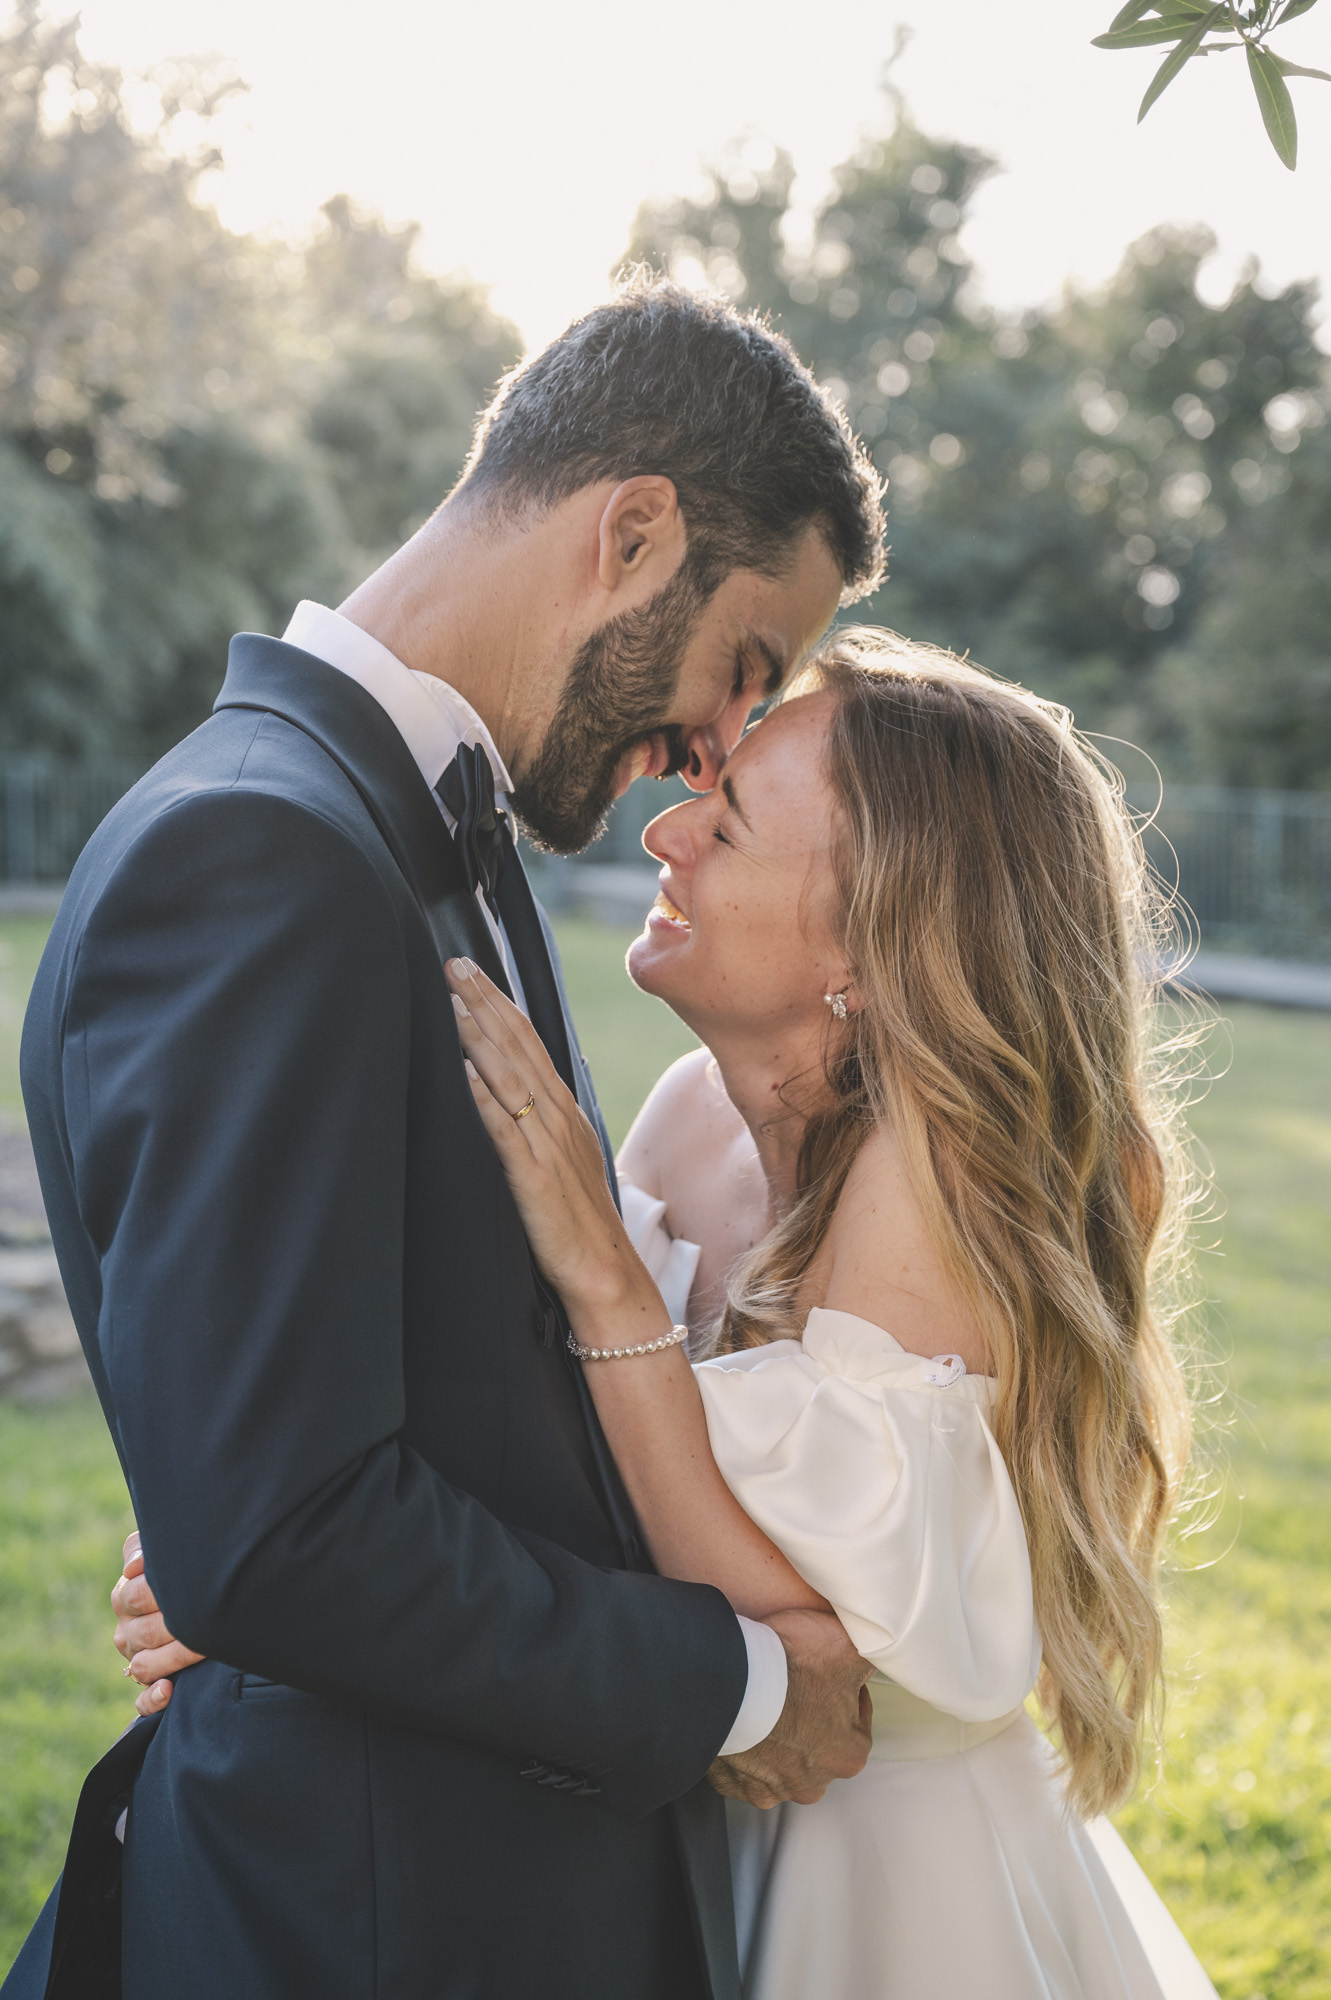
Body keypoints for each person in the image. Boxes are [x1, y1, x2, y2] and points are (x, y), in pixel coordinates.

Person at [9, 279, 886, 2000]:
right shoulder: (258, 856)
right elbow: (281, 1530)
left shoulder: (431, 841)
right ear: (632, 532)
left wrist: (232, 1540)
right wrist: (736, 1686)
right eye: (746, 666)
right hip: (373, 1925)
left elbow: (322, 1452)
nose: (719, 745)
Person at [436, 632, 1222, 1997]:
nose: (668, 828)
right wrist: (279, 1570)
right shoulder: (687, 1120)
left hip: (890, 1903)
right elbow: (552, 1455)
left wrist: (610, 1284)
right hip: (685, 1847)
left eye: (729, 823)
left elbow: (803, 1658)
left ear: (870, 940)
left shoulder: (933, 1194)